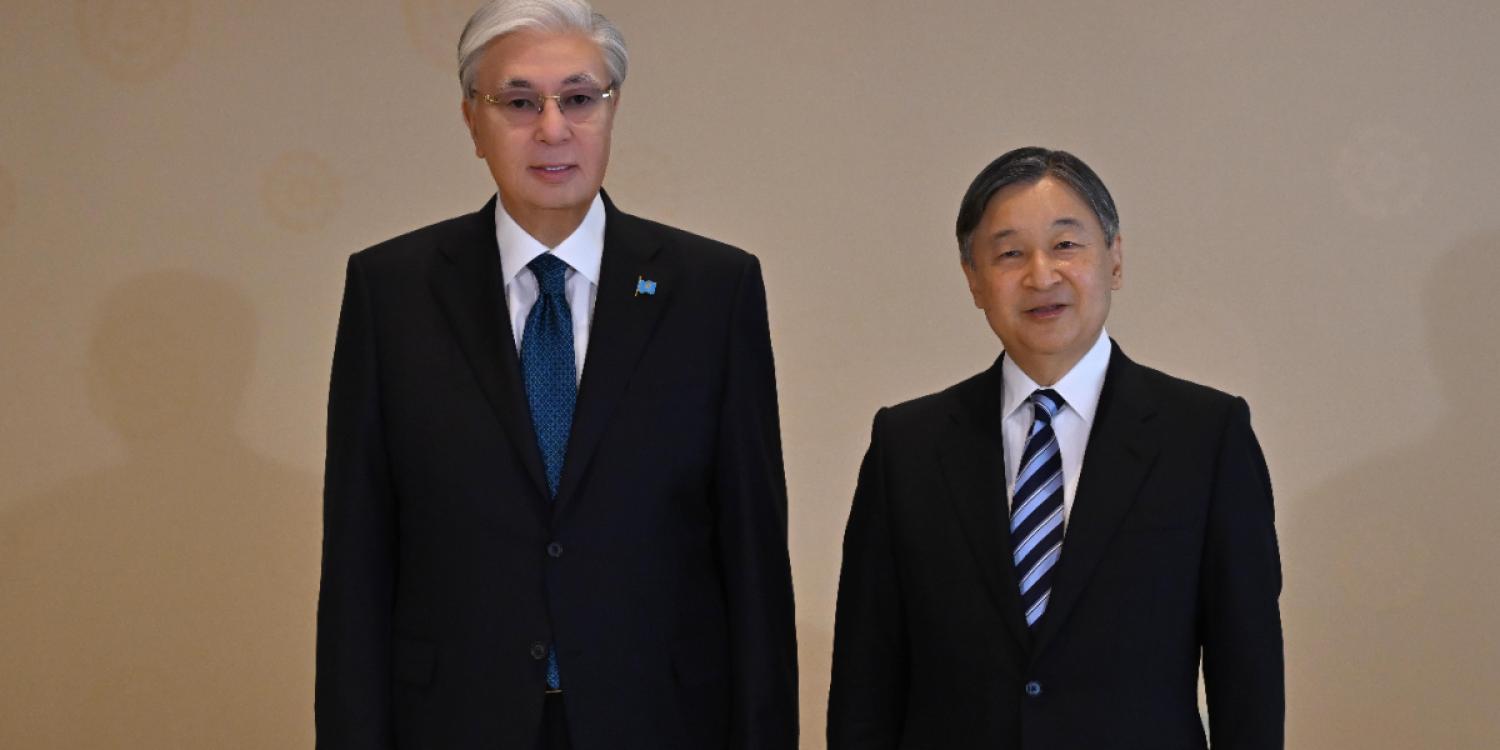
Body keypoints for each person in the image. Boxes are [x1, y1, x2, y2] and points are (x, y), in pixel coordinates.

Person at [315, 2, 798, 748]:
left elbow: (754, 558)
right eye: (518, 103)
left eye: (578, 98)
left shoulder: (713, 290)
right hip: (452, 721)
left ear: (612, 110)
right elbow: (357, 558)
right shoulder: (392, 291)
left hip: (661, 720)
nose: (552, 128)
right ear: (472, 120)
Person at [826, 147, 1283, 749]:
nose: (1041, 276)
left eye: (1066, 245)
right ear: (973, 279)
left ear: (1114, 258)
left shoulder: (1206, 435)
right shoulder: (906, 446)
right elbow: (865, 683)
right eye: (1010, 253)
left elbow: (1248, 679)